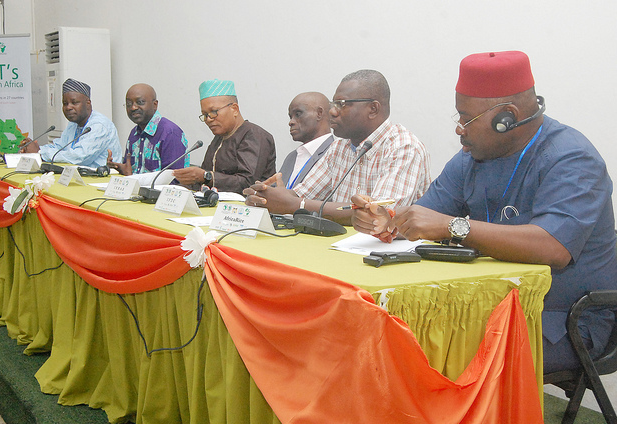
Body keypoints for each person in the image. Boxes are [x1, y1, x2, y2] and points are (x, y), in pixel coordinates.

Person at [351, 51, 617, 373]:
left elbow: (554, 248)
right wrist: (388, 221)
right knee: (384, 337)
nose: (459, 129)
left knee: (426, 356)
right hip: (482, 307)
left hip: (560, 320)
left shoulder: (572, 159)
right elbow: (423, 215)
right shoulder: (472, 156)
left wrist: (455, 227)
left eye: (466, 118)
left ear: (507, 117)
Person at [243, 69, 431, 226]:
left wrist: (293, 204)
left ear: (373, 109)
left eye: (341, 104)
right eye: (334, 104)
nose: (332, 111)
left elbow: (376, 216)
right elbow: (303, 194)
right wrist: (266, 196)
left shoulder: (404, 147)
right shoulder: (339, 147)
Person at [172, 79, 276, 194]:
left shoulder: (255, 135)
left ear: (234, 109)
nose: (208, 119)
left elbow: (248, 182)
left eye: (213, 112)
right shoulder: (218, 139)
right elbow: (203, 181)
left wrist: (207, 176)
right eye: (205, 115)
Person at [20, 78, 121, 168]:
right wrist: (31, 148)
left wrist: (39, 153)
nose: (68, 107)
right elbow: (60, 147)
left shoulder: (99, 125)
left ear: (88, 103)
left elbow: (79, 157)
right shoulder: (74, 124)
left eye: (74, 103)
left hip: (101, 183)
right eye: (65, 103)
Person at [107, 83, 190, 175]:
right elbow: (130, 172)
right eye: (129, 104)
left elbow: (174, 179)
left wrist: (133, 178)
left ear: (155, 105)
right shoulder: (134, 133)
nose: (133, 107)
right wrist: (118, 169)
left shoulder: (170, 133)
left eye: (140, 102)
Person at [279, 92, 334, 189]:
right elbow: (277, 192)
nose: (291, 122)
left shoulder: (334, 154)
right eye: (290, 117)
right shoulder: (292, 156)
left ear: (319, 113)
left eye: (298, 114)